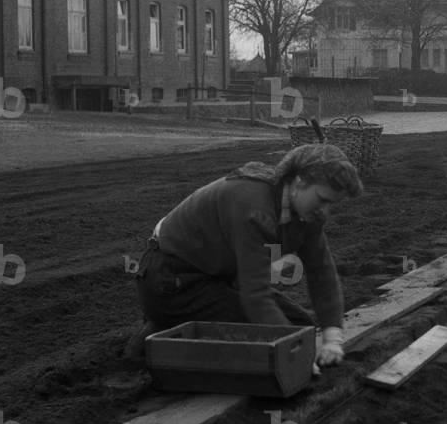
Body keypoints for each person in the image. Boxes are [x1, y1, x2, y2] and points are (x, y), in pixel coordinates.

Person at [125, 143, 363, 374]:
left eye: (332, 204)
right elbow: (255, 293)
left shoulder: (307, 215)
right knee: (267, 337)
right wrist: (293, 352)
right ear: (300, 182)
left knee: (301, 326)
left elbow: (321, 272)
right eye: (322, 199)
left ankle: (173, 324)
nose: (325, 211)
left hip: (215, 278)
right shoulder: (252, 204)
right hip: (170, 280)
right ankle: (158, 335)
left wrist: (333, 337)